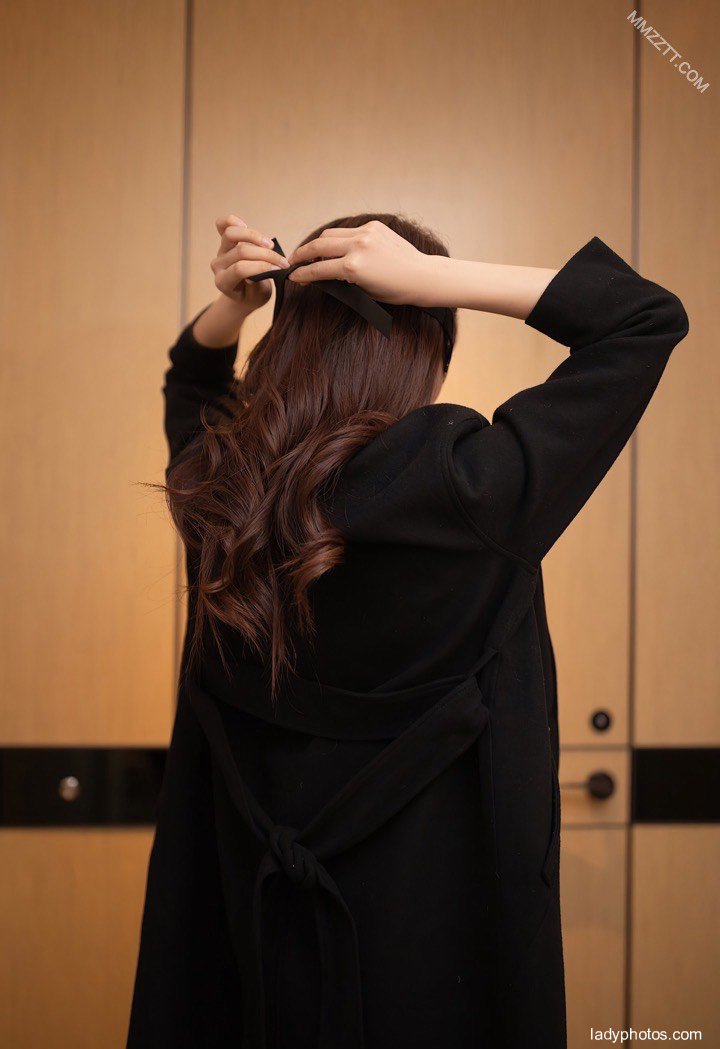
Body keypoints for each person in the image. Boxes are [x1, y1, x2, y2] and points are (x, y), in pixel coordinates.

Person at [126, 214, 689, 1049]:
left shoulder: (221, 498)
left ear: (287, 336)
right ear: (427, 353)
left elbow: (191, 381)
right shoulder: (469, 490)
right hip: (433, 967)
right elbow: (642, 317)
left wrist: (233, 307)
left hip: (255, 950)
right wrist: (434, 281)